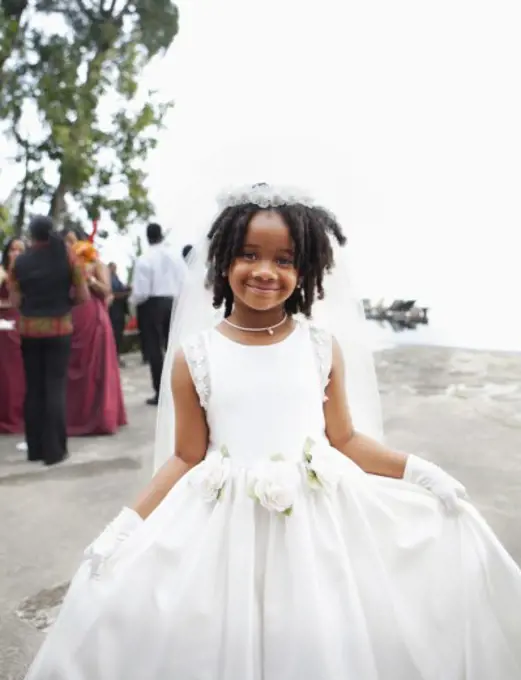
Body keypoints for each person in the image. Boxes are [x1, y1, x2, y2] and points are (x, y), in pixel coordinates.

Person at [24, 185, 521, 680]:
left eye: (284, 260)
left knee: (316, 636)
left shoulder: (321, 346)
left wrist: (419, 471)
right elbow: (185, 456)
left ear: (303, 271)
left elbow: (345, 439)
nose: (265, 271)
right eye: (248, 255)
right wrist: (125, 527)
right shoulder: (195, 356)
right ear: (222, 262)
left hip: (317, 524)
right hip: (220, 526)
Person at [8, 217, 89, 465]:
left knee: (34, 388)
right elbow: (83, 295)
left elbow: (15, 302)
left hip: (29, 331)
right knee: (55, 388)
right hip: (59, 328)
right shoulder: (67, 258)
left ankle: (35, 449)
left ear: (31, 235)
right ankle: (55, 451)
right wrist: (66, 304)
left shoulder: (19, 262)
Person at [62, 227, 127, 435]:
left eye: (72, 241)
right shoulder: (62, 266)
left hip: (94, 318)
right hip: (71, 318)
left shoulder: (95, 263)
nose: (70, 246)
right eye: (66, 243)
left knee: (96, 369)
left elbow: (107, 290)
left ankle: (100, 418)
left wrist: (87, 278)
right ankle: (74, 417)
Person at [129, 223, 186, 405]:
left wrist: (133, 301)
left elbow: (141, 291)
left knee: (154, 350)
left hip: (152, 304)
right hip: (173, 302)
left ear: (147, 237)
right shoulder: (175, 256)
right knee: (174, 347)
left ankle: (160, 391)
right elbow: (185, 280)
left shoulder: (144, 258)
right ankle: (178, 388)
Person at [0, 237, 25, 433]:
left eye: (20, 250)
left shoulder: (28, 273)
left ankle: (19, 415)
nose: (15, 253)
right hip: (2, 325)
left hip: (22, 323)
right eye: (12, 250)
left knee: (19, 370)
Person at [108, 262, 130, 367]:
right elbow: (111, 294)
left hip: (120, 310)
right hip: (113, 311)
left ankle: (116, 356)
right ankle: (114, 358)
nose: (114, 269)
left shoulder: (116, 278)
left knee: (118, 335)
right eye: (112, 268)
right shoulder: (108, 279)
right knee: (115, 335)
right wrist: (125, 294)